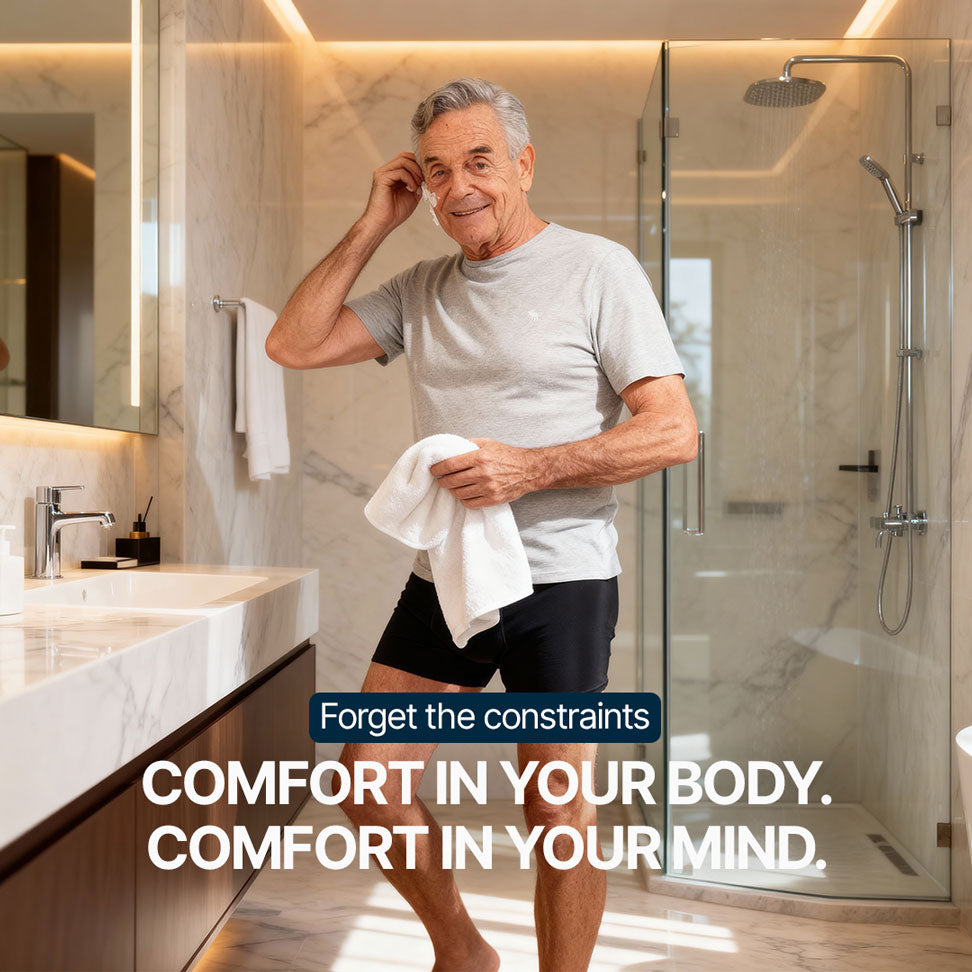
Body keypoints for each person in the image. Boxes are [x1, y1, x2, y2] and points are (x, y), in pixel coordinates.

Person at [267, 77, 697, 972]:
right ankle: (462, 949)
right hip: (451, 574)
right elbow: (294, 343)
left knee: (556, 811)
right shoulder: (419, 288)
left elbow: (672, 430)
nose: (458, 187)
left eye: (479, 161)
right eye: (435, 172)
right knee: (366, 779)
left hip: (564, 578)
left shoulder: (598, 269)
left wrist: (531, 467)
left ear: (524, 164)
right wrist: (375, 221)